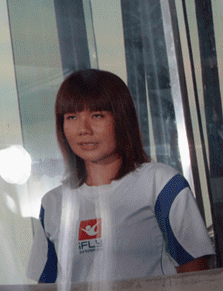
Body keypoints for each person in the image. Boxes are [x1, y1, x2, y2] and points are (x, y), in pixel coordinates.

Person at [28, 69, 213, 282]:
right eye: (72, 117)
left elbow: (197, 277)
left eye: (97, 115)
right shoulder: (53, 203)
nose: (83, 129)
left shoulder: (160, 183)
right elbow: (46, 285)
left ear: (121, 119)